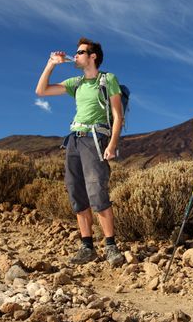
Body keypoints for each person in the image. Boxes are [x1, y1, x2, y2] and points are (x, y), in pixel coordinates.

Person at [35, 37, 125, 267]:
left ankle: (111, 246)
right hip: (74, 140)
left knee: (97, 191)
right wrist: (51, 64)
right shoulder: (76, 82)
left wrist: (112, 144)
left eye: (80, 52)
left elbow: (118, 115)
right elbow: (41, 90)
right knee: (76, 192)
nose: (75, 56)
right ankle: (87, 246)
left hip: (95, 139)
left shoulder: (108, 79)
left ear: (92, 56)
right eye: (75, 53)